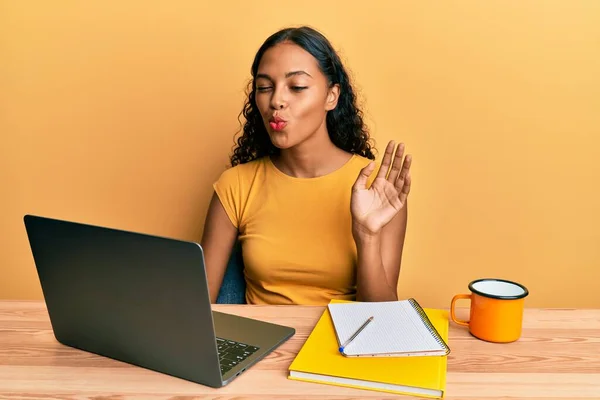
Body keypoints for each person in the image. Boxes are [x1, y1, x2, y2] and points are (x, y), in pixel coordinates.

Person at [201, 26, 412, 305]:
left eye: (297, 87)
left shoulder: (377, 186)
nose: (276, 101)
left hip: (342, 344)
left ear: (331, 96)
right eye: (264, 88)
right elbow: (196, 310)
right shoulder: (235, 185)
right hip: (263, 345)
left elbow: (383, 320)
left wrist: (367, 236)